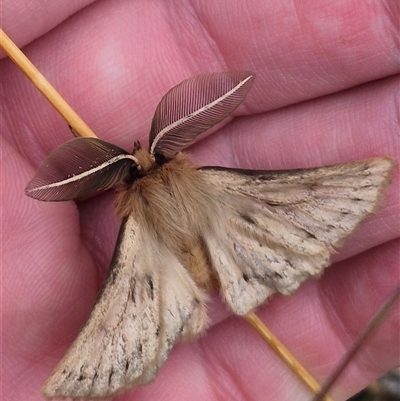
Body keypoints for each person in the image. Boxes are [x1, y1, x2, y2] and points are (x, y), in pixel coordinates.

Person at [1, 1, 399, 400]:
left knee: (343, 185)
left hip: (171, 256)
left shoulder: (136, 212)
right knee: (314, 195)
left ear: (121, 188)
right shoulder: (197, 181)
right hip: (228, 231)